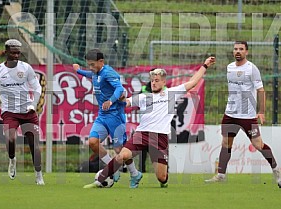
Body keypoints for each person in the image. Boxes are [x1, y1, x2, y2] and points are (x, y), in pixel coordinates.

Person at [83, 56, 216, 188]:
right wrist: (121, 97)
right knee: (122, 155)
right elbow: (126, 102)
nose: (153, 83)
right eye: (152, 80)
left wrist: (204, 66)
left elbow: (192, 82)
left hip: (160, 137)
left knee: (162, 178)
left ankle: (160, 180)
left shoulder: (171, 93)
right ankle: (100, 180)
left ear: (164, 82)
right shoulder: (143, 97)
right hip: (141, 134)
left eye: (157, 80)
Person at [205, 41, 281, 186]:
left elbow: (261, 91)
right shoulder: (229, 67)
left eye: (241, 49)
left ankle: (277, 171)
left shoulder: (252, 69)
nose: (237, 51)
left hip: (247, 116)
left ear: (247, 51)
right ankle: (221, 175)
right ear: (233, 52)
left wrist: (261, 111)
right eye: (235, 49)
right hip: (230, 114)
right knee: (226, 143)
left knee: (258, 144)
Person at [73, 48, 140, 188]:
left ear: (101, 62)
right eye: (89, 65)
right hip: (102, 116)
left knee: (119, 150)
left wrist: (110, 101)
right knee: (92, 142)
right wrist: (78, 70)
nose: (90, 67)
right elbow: (90, 74)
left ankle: (135, 174)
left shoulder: (108, 72)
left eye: (92, 64)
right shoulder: (95, 72)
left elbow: (120, 89)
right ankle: (112, 168)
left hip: (116, 117)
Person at [0, 39, 44, 185]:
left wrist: (33, 104)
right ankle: (12, 160)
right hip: (9, 112)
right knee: (11, 138)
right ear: (6, 52)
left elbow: (37, 88)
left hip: (27, 111)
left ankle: (38, 175)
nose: (16, 56)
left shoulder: (26, 68)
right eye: (13, 53)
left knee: (34, 145)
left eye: (18, 53)